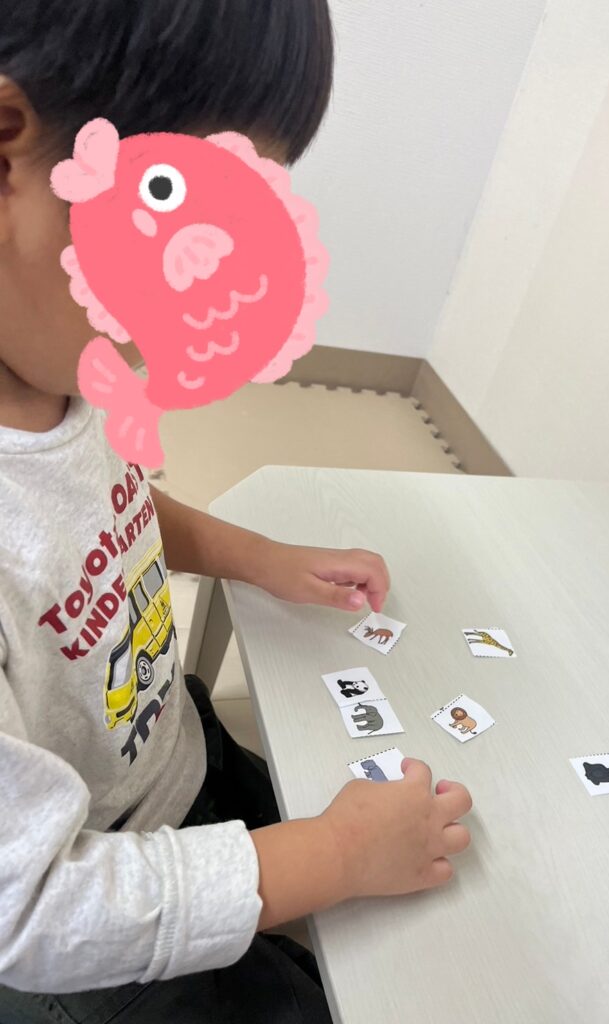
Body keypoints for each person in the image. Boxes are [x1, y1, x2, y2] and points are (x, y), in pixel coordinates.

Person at [0, 2, 473, 1022]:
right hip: (104, 933)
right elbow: (32, 910)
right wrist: (335, 854)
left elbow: (105, 510)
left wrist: (255, 555)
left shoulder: (56, 370)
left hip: (173, 753)